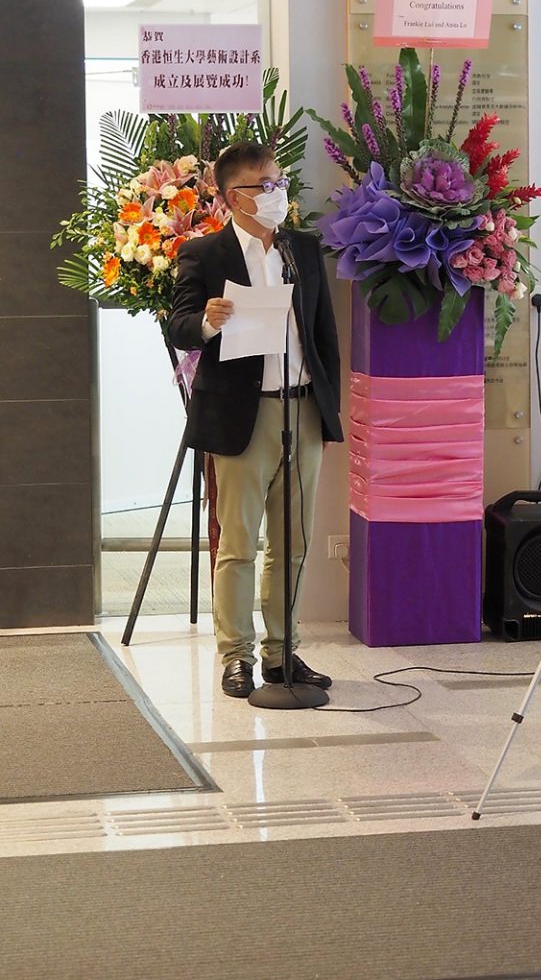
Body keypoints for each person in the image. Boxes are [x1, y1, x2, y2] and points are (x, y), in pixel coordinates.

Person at [167, 141, 343, 698]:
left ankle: (282, 652)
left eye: (277, 182)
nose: (274, 194)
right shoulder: (204, 253)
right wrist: (208, 322)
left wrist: (330, 407)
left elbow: (324, 336)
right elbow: (179, 325)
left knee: (293, 542)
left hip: (303, 407)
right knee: (239, 543)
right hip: (243, 414)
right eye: (261, 186)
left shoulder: (302, 250)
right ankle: (235, 656)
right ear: (228, 197)